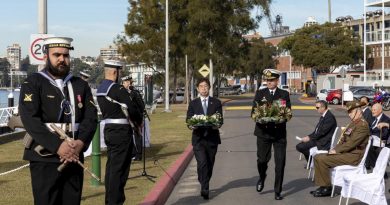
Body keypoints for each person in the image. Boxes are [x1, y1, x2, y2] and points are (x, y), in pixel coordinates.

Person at [19, 37, 97, 205]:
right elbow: (30, 120)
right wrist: (58, 146)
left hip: (74, 155)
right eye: (57, 55)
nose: (62, 59)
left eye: (66, 55)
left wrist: (81, 143)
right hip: (44, 157)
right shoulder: (33, 82)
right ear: (46, 56)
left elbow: (91, 118)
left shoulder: (80, 85)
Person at [96, 60, 142, 205]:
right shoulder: (117, 89)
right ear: (115, 72)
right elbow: (132, 108)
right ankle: (115, 201)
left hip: (109, 129)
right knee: (120, 170)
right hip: (121, 131)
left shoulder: (100, 89)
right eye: (119, 72)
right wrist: (138, 121)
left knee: (112, 168)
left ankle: (110, 200)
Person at [310, 101, 370, 197]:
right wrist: (334, 149)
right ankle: (323, 185)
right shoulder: (353, 124)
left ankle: (327, 188)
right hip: (346, 153)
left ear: (358, 112)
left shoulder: (362, 126)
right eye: (348, 112)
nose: (349, 114)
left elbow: (351, 143)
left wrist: (336, 151)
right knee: (317, 156)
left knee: (322, 159)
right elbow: (343, 140)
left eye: (351, 112)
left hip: (353, 155)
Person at [251, 68, 291, 200]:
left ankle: (277, 191)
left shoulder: (284, 94)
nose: (269, 82)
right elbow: (253, 113)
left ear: (277, 81)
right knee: (262, 160)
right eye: (267, 80)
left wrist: (282, 118)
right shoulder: (259, 93)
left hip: (279, 134)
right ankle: (262, 177)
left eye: (271, 80)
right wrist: (258, 117)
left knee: (280, 163)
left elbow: (288, 113)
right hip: (263, 132)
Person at [186, 77, 223, 200]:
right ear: (197, 88)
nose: (204, 88)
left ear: (209, 88)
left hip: (212, 139)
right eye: (201, 86)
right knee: (202, 163)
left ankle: (204, 181)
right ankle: (205, 187)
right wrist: (191, 125)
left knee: (210, 163)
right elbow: (189, 120)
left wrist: (216, 124)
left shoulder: (216, 102)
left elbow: (220, 120)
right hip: (198, 138)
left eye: (206, 86)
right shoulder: (193, 103)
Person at [122, 75, 144, 160]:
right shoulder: (122, 93)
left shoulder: (134, 93)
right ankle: (132, 153)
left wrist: (140, 118)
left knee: (137, 135)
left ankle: (138, 155)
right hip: (126, 118)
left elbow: (141, 106)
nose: (126, 84)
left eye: (127, 82)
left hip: (135, 117)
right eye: (125, 82)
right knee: (128, 136)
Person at [365, 103, 390, 169]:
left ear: (380, 110)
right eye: (372, 110)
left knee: (368, 144)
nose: (372, 111)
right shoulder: (373, 118)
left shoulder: (386, 119)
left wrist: (372, 136)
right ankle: (366, 164)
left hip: (380, 142)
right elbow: (369, 128)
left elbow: (384, 134)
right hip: (372, 140)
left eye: (374, 110)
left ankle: (373, 166)